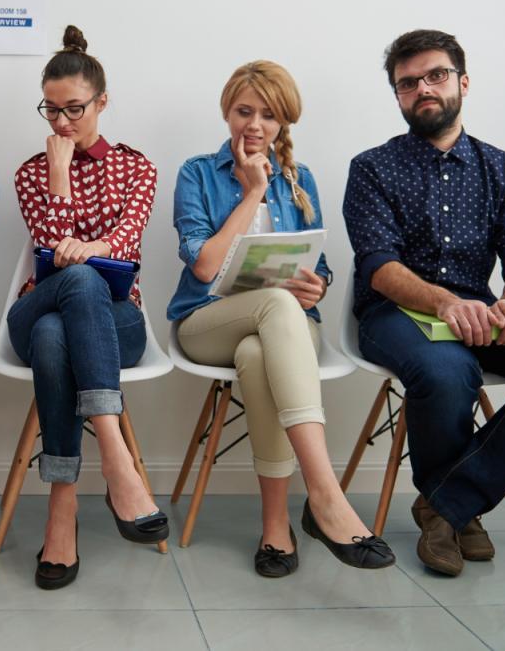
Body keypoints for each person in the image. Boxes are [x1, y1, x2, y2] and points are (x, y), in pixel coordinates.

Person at [343, 29, 505, 576]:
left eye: (435, 75)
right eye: (407, 82)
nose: (423, 88)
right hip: (391, 314)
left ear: (462, 82)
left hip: (482, 312)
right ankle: (458, 511)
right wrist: (444, 303)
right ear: (397, 96)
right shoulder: (372, 166)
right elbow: (379, 264)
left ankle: (446, 503)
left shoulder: (504, 168)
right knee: (449, 367)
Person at [167, 61, 395, 577]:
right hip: (207, 323)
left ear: (284, 121)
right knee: (275, 304)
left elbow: (319, 263)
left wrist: (320, 284)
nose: (255, 124)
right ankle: (325, 496)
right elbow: (203, 267)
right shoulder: (197, 172)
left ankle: (276, 526)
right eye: (244, 111)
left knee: (258, 350)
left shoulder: (302, 178)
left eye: (268, 115)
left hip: (285, 330)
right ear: (227, 110)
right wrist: (251, 193)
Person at [9, 25, 166, 590]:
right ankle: (117, 460)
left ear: (102, 100)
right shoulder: (31, 171)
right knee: (71, 282)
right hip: (35, 307)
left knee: (59, 333)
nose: (61, 122)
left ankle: (62, 510)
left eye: (73, 109)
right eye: (50, 110)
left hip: (117, 319)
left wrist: (94, 248)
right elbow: (48, 255)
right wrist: (58, 176)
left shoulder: (138, 167)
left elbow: (127, 242)